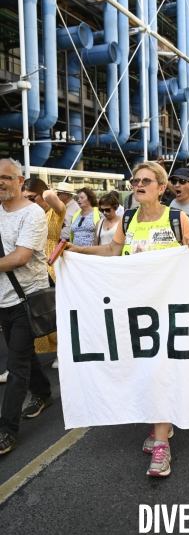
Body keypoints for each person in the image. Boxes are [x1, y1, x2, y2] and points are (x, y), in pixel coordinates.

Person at [66, 161, 189, 477]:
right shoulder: (127, 218)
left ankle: (161, 447)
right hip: (135, 309)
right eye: (134, 180)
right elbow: (112, 253)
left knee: (160, 373)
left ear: (159, 185)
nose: (138, 185)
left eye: (145, 180)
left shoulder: (175, 217)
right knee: (143, 370)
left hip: (168, 311)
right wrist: (76, 251)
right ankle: (162, 427)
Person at [0, 159, 52, 455]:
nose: (1, 182)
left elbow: (20, 258)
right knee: (23, 353)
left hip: (26, 299)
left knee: (15, 364)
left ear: (21, 181)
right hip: (3, 299)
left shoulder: (33, 214)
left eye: (6, 177)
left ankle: (7, 428)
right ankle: (44, 393)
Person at [22, 178, 66, 365]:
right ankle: (21, 362)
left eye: (32, 198)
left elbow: (50, 196)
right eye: (25, 198)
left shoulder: (53, 213)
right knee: (30, 316)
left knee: (54, 314)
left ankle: (62, 353)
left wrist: (46, 191)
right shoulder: (25, 214)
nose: (28, 202)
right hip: (29, 268)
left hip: (50, 267)